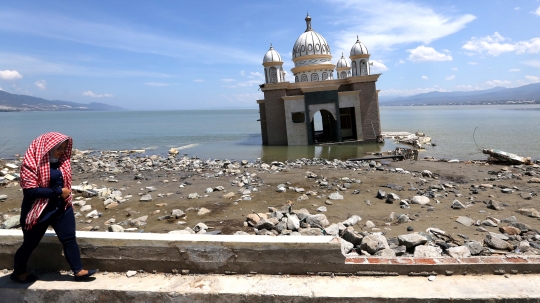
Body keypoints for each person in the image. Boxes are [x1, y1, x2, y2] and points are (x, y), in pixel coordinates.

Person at [11, 132, 97, 283]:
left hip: (61, 208)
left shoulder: (61, 162)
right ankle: (18, 272)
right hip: (38, 210)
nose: (61, 151)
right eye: (58, 148)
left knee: (69, 239)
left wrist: (64, 195)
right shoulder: (31, 164)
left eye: (64, 148)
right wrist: (58, 191)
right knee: (30, 243)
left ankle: (78, 271)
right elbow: (30, 191)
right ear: (47, 147)